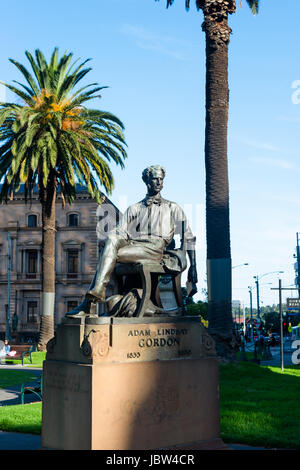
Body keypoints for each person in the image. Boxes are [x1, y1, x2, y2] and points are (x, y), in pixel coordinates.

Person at [66, 164, 198, 317]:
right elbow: (120, 230)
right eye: (155, 179)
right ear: (147, 182)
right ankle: (96, 294)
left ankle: (89, 303)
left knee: (108, 252)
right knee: (112, 239)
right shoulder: (134, 208)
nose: (159, 183)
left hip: (156, 249)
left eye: (161, 179)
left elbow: (188, 236)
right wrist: (114, 237)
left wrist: (193, 267)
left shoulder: (172, 207)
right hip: (136, 246)